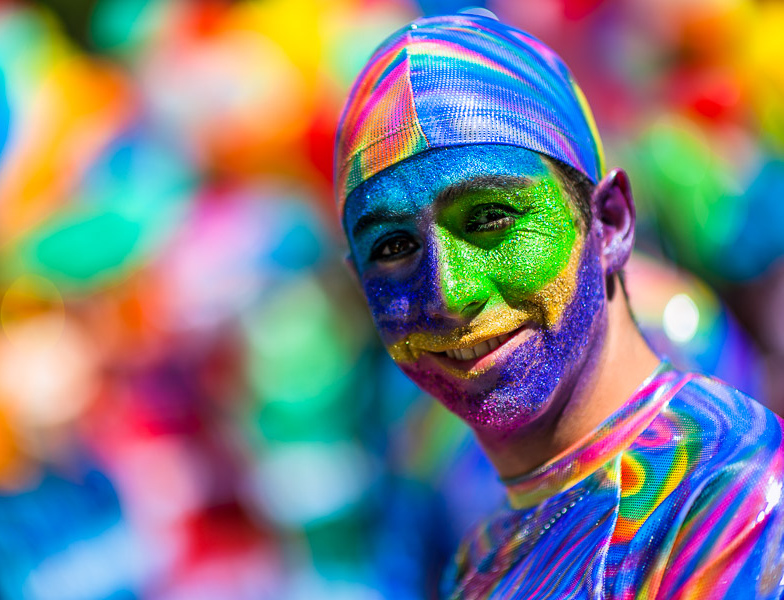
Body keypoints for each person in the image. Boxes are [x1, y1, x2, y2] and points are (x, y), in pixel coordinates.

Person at [334, 11, 784, 599]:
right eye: (392, 247)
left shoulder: (729, 505)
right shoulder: (476, 560)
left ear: (610, 221)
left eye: (491, 217)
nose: (448, 293)